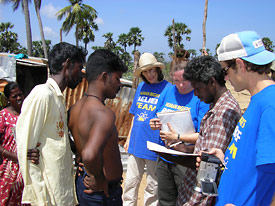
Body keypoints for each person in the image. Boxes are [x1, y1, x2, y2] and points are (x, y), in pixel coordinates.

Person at [16, 42, 86, 205]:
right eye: (79, 67)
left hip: (60, 193)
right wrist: (40, 197)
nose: (81, 74)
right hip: (47, 197)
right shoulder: (42, 94)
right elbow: (25, 148)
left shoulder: (58, 99)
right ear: (67, 64)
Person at [212, 30, 275, 205]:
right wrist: (228, 157)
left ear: (239, 64)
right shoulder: (258, 99)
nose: (225, 78)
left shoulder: (270, 104)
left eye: (225, 70)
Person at [171, 55, 242, 206]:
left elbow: (209, 170)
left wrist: (177, 157)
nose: (195, 94)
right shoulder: (215, 106)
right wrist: (188, 149)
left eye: (197, 88)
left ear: (212, 82)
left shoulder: (223, 113)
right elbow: (206, 150)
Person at [68, 49, 128, 205]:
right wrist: (100, 179)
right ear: (104, 76)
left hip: (84, 184)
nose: (119, 84)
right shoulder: (104, 114)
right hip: (102, 193)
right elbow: (89, 154)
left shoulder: (75, 108)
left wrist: (78, 156)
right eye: (117, 78)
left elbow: (72, 141)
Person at [149, 62, 209, 206]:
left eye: (185, 81)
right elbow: (156, 116)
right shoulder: (168, 92)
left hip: (186, 160)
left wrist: (177, 138)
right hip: (165, 157)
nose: (181, 85)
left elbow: (204, 134)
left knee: (186, 200)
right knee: (164, 200)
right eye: (176, 81)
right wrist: (154, 124)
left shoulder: (200, 97)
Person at [123, 52, 172, 206]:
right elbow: (134, 115)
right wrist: (129, 138)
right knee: (130, 183)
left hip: (154, 145)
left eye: (152, 70)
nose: (149, 74)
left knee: (152, 186)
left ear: (157, 69)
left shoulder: (168, 89)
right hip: (136, 142)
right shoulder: (141, 87)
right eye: (145, 71)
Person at [0, 82, 39, 205]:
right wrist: (15, 157)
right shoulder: (3, 116)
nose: (18, 98)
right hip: (8, 167)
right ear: (7, 99)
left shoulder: (27, 114)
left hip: (26, 166)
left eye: (20, 95)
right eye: (14, 96)